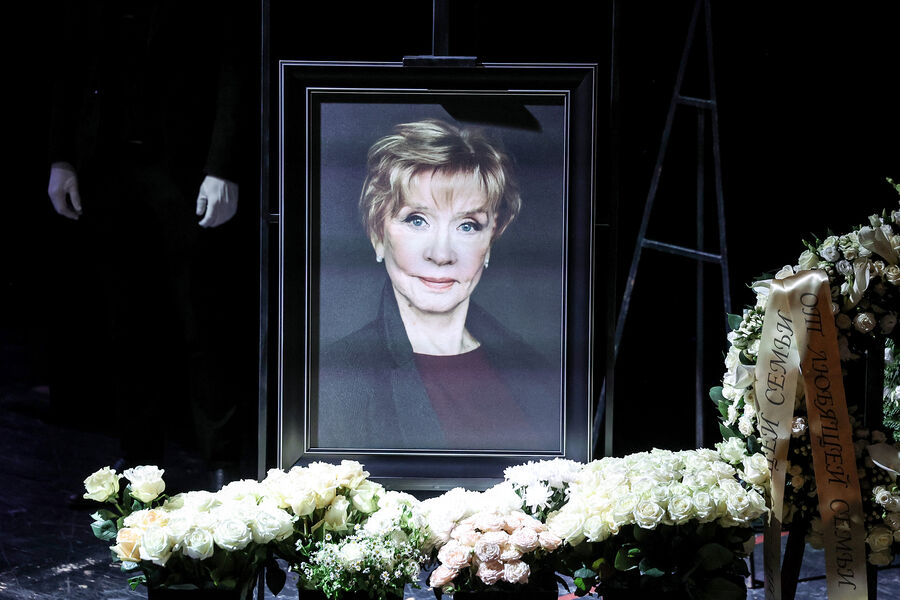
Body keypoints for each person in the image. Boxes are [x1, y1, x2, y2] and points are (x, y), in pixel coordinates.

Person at [45, 0, 253, 486]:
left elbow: (234, 65)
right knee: (127, 322)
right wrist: (61, 156)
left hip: (185, 164)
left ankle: (222, 463)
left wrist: (223, 165)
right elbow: (71, 59)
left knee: (203, 317)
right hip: (107, 163)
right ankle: (139, 464)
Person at [315, 119, 560, 452]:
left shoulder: (535, 370)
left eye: (468, 226)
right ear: (378, 234)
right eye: (417, 220)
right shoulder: (334, 381)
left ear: (491, 239)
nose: (441, 254)